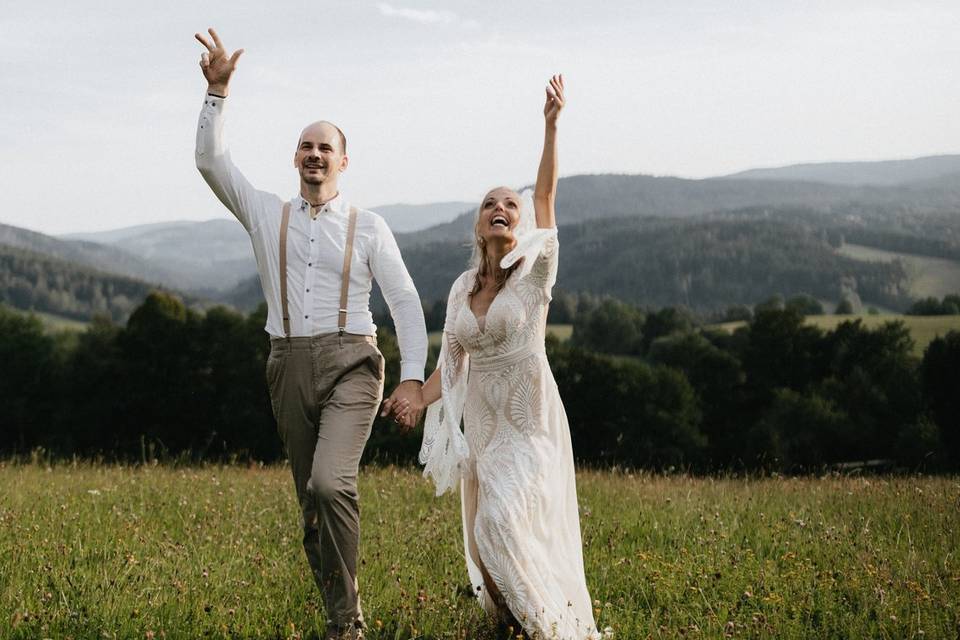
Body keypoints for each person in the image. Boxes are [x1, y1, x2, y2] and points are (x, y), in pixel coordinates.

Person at [193, 28, 426, 640]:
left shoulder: (369, 226)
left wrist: (410, 379)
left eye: (325, 147)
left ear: (344, 161)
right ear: (295, 159)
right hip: (287, 363)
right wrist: (217, 93)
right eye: (305, 147)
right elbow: (210, 162)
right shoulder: (265, 212)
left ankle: (350, 625)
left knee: (331, 482)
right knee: (311, 505)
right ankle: (337, 617)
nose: (314, 155)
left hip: (354, 363)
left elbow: (403, 299)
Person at [384, 75, 601, 639]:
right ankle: (509, 626)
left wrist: (551, 126)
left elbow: (547, 198)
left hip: (527, 423)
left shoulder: (536, 277)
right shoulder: (460, 289)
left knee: (501, 523)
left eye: (510, 204)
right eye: (489, 204)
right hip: (482, 425)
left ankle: (555, 631)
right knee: (483, 550)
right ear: (479, 225)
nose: (501, 208)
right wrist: (414, 399)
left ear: (520, 225)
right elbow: (450, 365)